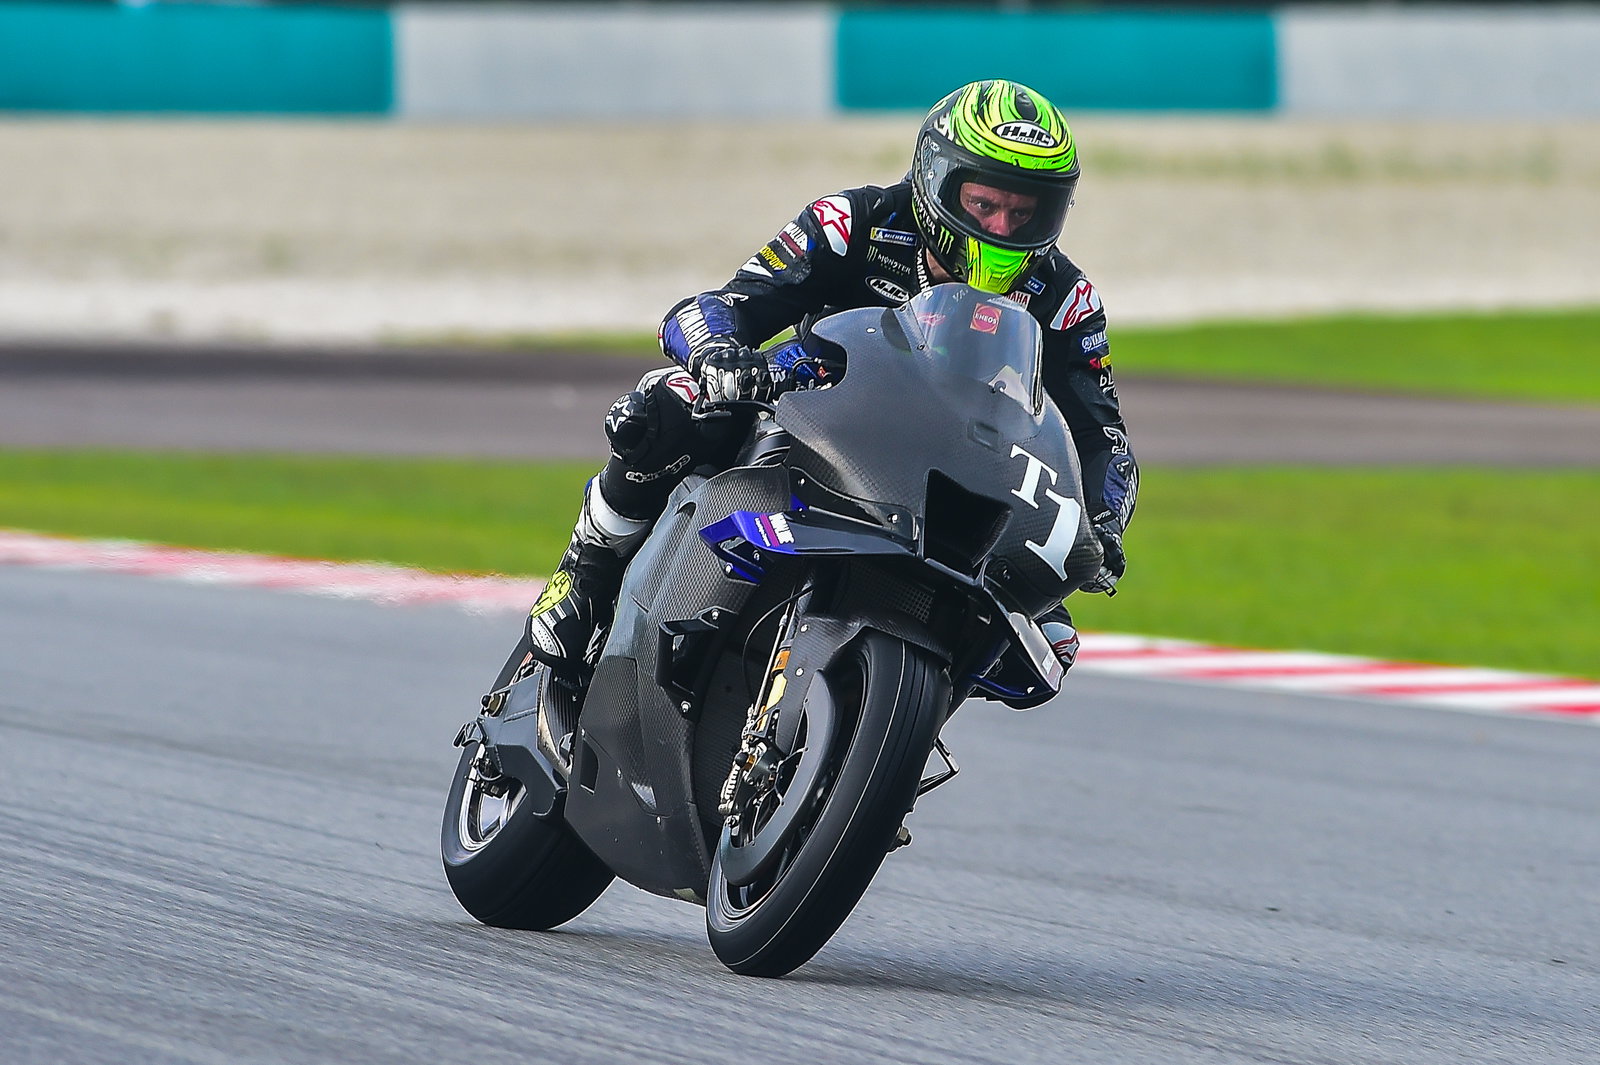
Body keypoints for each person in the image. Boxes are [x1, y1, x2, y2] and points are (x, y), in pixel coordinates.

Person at [525, 79, 1138, 698]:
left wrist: (1104, 523)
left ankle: (894, 738)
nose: (1002, 225)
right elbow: (718, 305)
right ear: (937, 181)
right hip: (811, 425)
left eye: (1024, 211)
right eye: (983, 203)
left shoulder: (1066, 298)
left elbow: (1100, 435)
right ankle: (584, 575)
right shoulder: (854, 222)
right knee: (665, 408)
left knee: (1046, 640)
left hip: (950, 474)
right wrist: (719, 356)